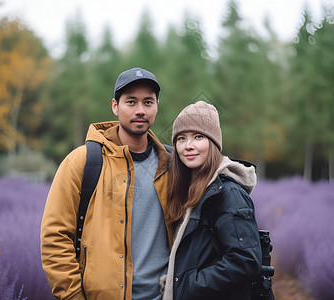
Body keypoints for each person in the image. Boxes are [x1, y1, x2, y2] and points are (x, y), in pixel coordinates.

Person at [41, 67, 173, 300]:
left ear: (156, 106)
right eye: (131, 102)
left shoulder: (172, 165)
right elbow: (55, 238)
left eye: (148, 102)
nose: (140, 110)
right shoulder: (82, 162)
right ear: (115, 106)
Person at [161, 101, 262, 300]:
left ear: (213, 143)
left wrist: (189, 286)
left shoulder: (227, 193)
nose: (188, 146)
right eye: (181, 138)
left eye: (198, 137)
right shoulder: (189, 190)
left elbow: (245, 260)